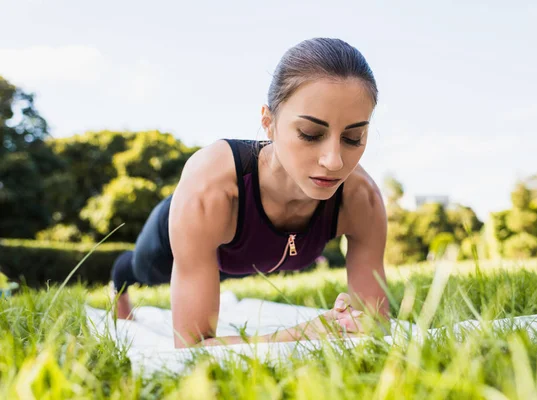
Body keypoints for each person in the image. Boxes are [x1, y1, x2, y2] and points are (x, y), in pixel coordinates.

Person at [110, 37, 390, 348]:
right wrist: (301, 334)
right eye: (310, 134)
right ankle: (119, 273)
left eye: (353, 137)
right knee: (142, 270)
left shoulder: (361, 198)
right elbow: (191, 347)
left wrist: (351, 321)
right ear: (268, 123)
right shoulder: (211, 187)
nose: (334, 161)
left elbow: (376, 325)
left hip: (243, 256)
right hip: (178, 236)